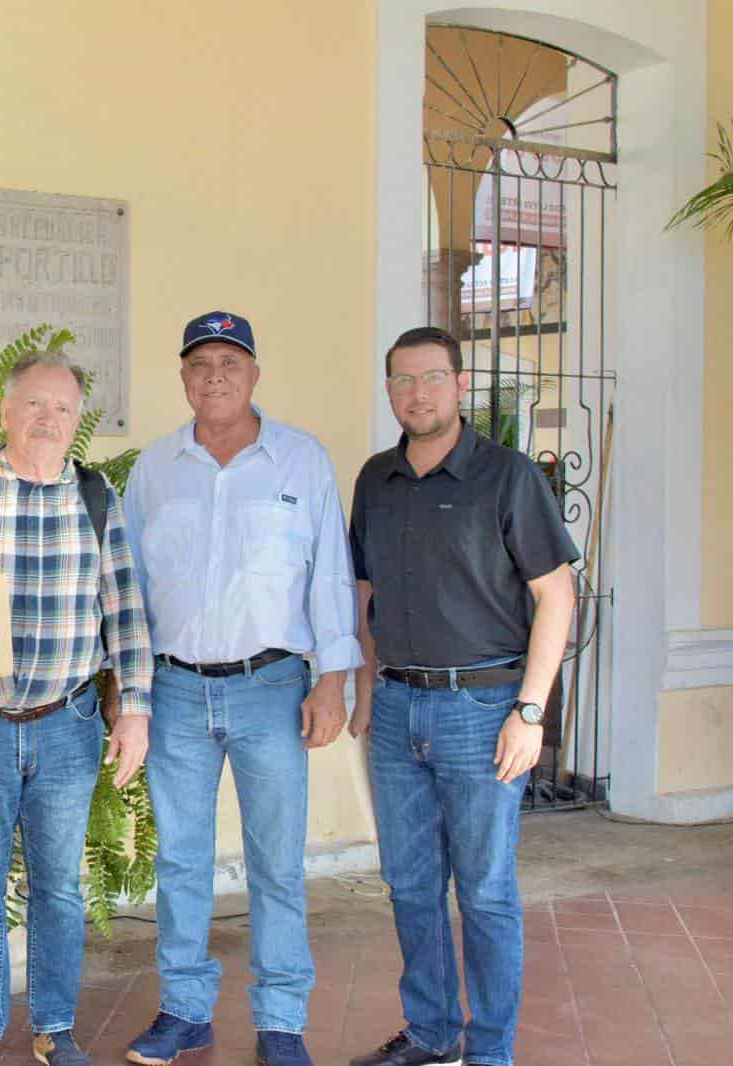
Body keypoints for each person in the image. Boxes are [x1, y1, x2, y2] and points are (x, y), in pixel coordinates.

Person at [0, 349, 154, 1066]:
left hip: (68, 726)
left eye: (63, 408)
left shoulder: (98, 497)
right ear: (6, 412)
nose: (49, 419)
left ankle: (53, 1028)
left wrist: (133, 709)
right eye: (35, 404)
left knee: (60, 891)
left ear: (78, 422)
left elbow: (125, 611)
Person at [121, 312, 361, 1066]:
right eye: (201, 364)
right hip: (177, 694)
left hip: (273, 689)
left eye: (230, 361)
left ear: (255, 373)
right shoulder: (155, 469)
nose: (215, 375)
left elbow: (330, 578)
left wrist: (334, 680)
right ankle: (185, 1009)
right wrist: (125, 688)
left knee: (276, 864)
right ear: (183, 377)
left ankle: (282, 1020)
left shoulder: (302, 462)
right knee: (182, 860)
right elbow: (126, 589)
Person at [345, 326, 577, 1066]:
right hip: (397, 709)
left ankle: (489, 1051)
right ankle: (432, 1034)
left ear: (461, 383)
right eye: (404, 381)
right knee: (410, 887)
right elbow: (365, 591)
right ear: (390, 391)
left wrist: (530, 712)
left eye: (433, 378)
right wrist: (366, 685)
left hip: (484, 712)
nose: (418, 393)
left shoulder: (507, 476)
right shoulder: (375, 479)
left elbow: (558, 597)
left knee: (484, 894)